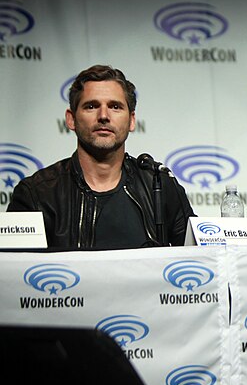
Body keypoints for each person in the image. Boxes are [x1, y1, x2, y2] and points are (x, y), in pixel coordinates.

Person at [6, 65, 194, 249]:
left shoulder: (160, 187)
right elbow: (17, 273)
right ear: (71, 119)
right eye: (91, 106)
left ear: (132, 120)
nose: (103, 116)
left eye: (115, 106)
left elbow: (198, 266)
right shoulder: (36, 194)